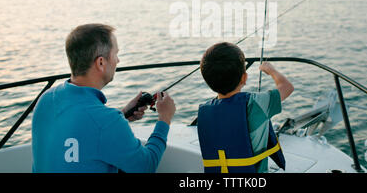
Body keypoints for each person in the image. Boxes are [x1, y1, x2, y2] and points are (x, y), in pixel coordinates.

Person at [32, 23, 176, 173]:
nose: (118, 61)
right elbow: (146, 166)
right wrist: (164, 118)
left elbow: (83, 130)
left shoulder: (45, 100)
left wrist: (123, 114)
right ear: (101, 62)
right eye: (116, 54)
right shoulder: (107, 122)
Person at [197, 42, 294, 173]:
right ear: (244, 77)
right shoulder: (256, 103)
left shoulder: (205, 111)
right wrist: (271, 70)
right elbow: (287, 87)